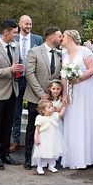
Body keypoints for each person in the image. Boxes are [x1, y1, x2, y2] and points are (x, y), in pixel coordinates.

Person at [60, 29, 93, 169]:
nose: (61, 38)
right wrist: (64, 94)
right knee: (73, 120)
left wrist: (78, 78)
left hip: (86, 89)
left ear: (70, 37)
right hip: (72, 91)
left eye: (63, 36)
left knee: (86, 119)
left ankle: (90, 156)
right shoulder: (64, 53)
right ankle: (74, 156)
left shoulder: (84, 51)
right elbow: (63, 75)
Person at [0, 19, 24, 170]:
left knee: (8, 125)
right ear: (6, 32)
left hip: (13, 90)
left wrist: (19, 69)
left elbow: (16, 65)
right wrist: (11, 70)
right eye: (14, 33)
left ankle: (6, 154)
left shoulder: (16, 46)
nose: (16, 36)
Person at [23, 26, 62, 169]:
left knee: (49, 129)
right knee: (33, 128)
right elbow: (30, 74)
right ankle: (28, 158)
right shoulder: (34, 52)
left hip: (52, 99)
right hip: (35, 97)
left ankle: (48, 158)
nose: (61, 38)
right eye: (59, 35)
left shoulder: (59, 54)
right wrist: (41, 94)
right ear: (51, 37)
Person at [11, 15, 44, 152]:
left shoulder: (38, 39)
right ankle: (16, 140)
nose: (29, 26)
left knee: (35, 109)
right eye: (26, 24)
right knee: (16, 110)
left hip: (33, 79)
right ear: (20, 24)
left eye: (30, 24)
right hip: (18, 79)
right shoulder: (14, 39)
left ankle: (37, 139)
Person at [31, 99, 64, 175]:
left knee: (53, 151)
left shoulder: (54, 115)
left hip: (53, 138)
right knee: (40, 152)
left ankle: (51, 165)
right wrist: (36, 138)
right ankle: (39, 166)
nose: (52, 108)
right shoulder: (40, 118)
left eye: (52, 106)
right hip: (43, 139)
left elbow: (61, 114)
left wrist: (65, 105)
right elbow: (37, 130)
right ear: (43, 110)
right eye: (49, 107)